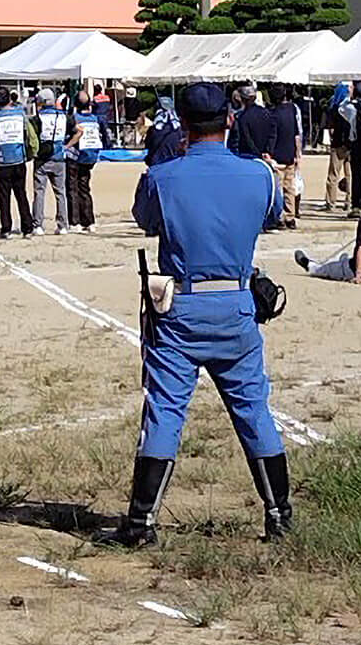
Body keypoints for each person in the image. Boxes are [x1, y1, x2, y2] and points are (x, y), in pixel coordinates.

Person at [98, 83, 291, 548]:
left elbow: (147, 220)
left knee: (165, 411)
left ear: (182, 125)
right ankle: (279, 514)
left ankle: (142, 521)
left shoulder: (162, 177)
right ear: (230, 120)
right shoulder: (260, 176)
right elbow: (271, 216)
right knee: (253, 411)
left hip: (181, 305)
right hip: (237, 303)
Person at [0, 87, 37, 237]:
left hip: (2, 162)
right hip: (19, 159)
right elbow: (28, 133)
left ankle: (6, 228)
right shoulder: (20, 114)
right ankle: (27, 227)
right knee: (21, 194)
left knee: (3, 197)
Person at [33, 88, 72, 234]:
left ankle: (38, 225)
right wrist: (66, 146)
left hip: (42, 157)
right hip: (59, 157)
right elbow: (77, 130)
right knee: (60, 192)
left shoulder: (38, 117)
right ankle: (62, 225)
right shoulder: (63, 116)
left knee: (39, 192)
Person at [66, 86, 102, 230]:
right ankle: (89, 221)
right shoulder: (94, 119)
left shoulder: (75, 119)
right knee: (85, 188)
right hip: (90, 157)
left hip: (76, 156)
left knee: (72, 188)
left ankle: (75, 221)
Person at [268, 84, 303, 228]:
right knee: (290, 187)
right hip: (290, 153)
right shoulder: (291, 109)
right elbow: (297, 134)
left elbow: (272, 136)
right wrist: (298, 153)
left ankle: (280, 216)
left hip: (277, 155)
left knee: (278, 188)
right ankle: (290, 216)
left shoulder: (273, 114)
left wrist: (269, 153)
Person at [322, 81, 356, 211]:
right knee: (350, 175)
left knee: (333, 174)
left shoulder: (334, 107)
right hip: (351, 144)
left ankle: (331, 201)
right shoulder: (353, 107)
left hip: (337, 144)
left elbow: (331, 128)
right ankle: (349, 201)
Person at [228, 85, 275, 162]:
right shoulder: (267, 113)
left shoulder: (242, 117)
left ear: (242, 99)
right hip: (265, 156)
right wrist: (268, 150)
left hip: (247, 156)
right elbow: (273, 134)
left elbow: (245, 138)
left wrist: (257, 153)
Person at [145, 95, 187, 166]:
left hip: (156, 164)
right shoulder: (179, 128)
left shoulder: (154, 129)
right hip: (175, 163)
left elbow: (148, 145)